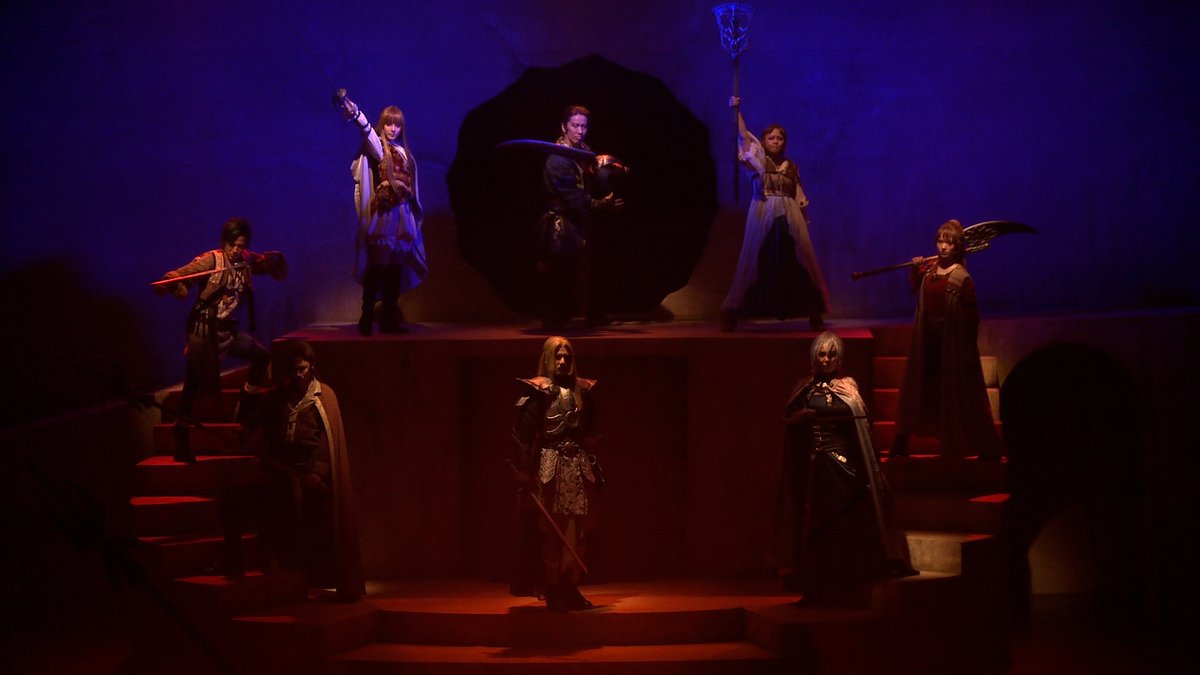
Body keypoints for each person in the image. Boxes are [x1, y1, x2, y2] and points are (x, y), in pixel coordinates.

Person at [218, 340, 365, 601]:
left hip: (307, 471)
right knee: (239, 501)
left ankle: (309, 577)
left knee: (312, 523)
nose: (298, 374)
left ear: (311, 367)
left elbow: (326, 441)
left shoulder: (324, 397)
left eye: (303, 369)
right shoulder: (279, 395)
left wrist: (317, 472)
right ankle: (238, 563)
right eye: (295, 369)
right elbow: (258, 417)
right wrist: (242, 432)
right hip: (277, 468)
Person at [777, 332, 914, 604]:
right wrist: (798, 418)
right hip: (814, 470)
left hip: (842, 468)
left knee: (844, 521)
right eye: (822, 354)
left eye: (832, 354)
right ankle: (816, 582)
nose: (826, 359)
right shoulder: (804, 387)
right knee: (814, 526)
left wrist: (826, 415)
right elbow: (789, 417)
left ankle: (851, 578)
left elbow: (857, 420)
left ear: (839, 358)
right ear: (814, 355)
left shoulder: (847, 386)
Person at [155, 217, 287, 462]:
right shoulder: (212, 260)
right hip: (204, 333)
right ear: (224, 242)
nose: (236, 250)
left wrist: (274, 260)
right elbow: (185, 273)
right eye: (232, 245)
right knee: (192, 386)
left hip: (229, 332)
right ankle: (181, 436)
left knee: (261, 356)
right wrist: (170, 282)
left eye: (240, 246)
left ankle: (245, 406)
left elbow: (271, 267)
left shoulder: (245, 260)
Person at [890, 219, 1002, 460]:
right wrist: (915, 269)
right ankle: (902, 441)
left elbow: (972, 318)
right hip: (927, 344)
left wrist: (965, 350)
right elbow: (915, 289)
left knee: (958, 396)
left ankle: (981, 448)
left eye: (948, 243)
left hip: (951, 347)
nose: (942, 247)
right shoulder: (929, 271)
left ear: (957, 247)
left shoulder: (962, 278)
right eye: (940, 241)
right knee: (920, 391)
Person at [720, 96, 830, 332]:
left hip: (790, 215)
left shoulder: (791, 166)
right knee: (754, 258)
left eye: (780, 138)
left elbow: (798, 193)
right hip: (763, 211)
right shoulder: (758, 161)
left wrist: (805, 217)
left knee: (800, 257)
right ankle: (733, 310)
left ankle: (813, 310)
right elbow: (743, 138)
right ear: (764, 141)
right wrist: (736, 110)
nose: (776, 141)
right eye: (771, 138)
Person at [511, 336, 601, 611]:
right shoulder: (537, 392)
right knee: (551, 533)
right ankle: (553, 588)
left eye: (567, 357)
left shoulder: (583, 391)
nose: (562, 361)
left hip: (578, 468)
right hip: (549, 468)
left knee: (577, 533)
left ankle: (570, 586)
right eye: (557, 356)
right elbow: (523, 437)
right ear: (548, 358)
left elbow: (590, 433)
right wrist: (524, 472)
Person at [336, 90, 427, 335]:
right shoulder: (379, 147)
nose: (393, 128)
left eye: (397, 124)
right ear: (382, 125)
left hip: (403, 214)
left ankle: (389, 320)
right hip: (386, 215)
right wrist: (353, 109)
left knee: (395, 269)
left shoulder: (405, 153)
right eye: (388, 123)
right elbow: (365, 130)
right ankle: (366, 319)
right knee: (378, 267)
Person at [538, 105, 624, 328]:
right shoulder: (557, 158)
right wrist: (600, 205)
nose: (580, 131)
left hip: (583, 219)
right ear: (564, 127)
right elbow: (571, 195)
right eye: (575, 125)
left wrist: (609, 171)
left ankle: (595, 315)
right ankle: (555, 320)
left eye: (584, 126)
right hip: (563, 221)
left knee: (595, 268)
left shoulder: (585, 152)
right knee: (561, 271)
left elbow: (593, 183)